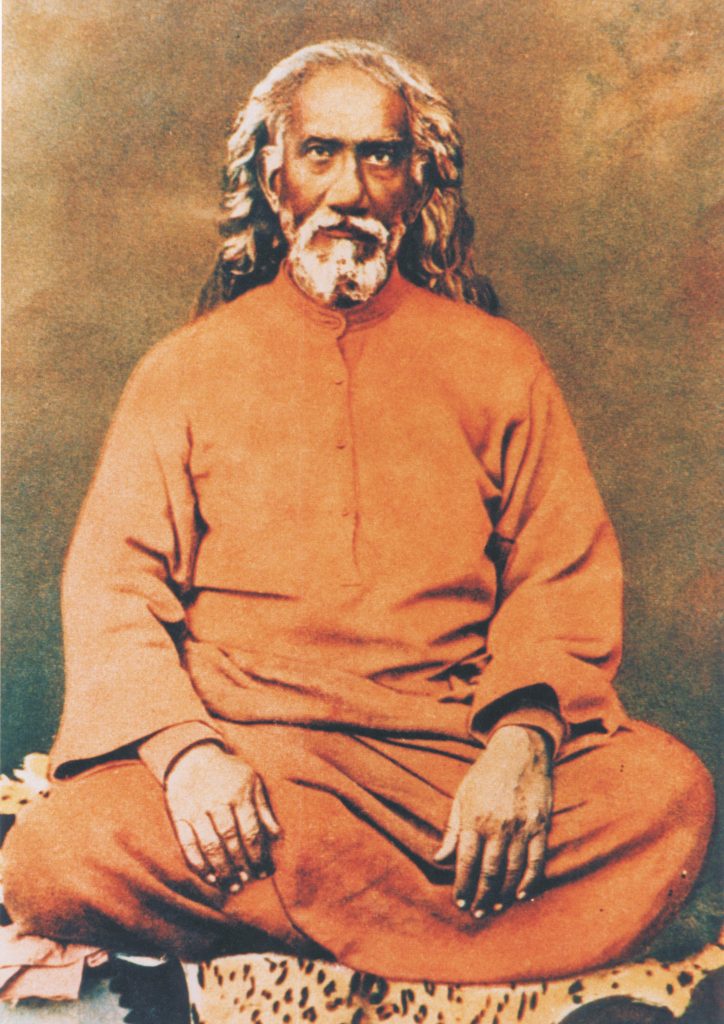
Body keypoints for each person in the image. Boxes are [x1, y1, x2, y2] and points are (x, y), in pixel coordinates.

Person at [2, 39, 714, 984]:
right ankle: (460, 928)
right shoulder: (184, 369)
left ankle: (296, 920)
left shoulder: (499, 360)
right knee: (56, 851)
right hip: (249, 764)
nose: (348, 190)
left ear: (416, 181)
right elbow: (114, 591)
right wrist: (187, 757)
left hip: (447, 766)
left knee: (666, 793)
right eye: (320, 153)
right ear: (275, 176)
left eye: (380, 156)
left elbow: (561, 576)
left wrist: (521, 742)